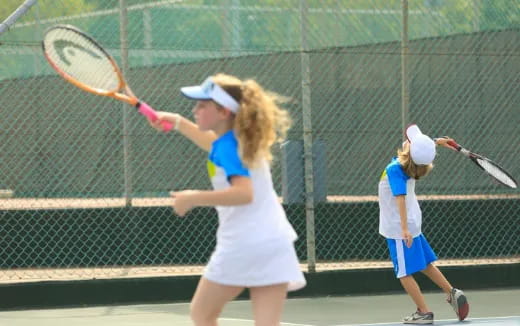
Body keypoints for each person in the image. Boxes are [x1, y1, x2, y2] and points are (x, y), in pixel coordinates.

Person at [149, 74, 306, 326]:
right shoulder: (240, 142)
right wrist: (178, 123)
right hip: (275, 243)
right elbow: (214, 147)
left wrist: (193, 198)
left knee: (202, 314)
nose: (195, 110)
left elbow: (244, 193)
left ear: (223, 112)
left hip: (243, 245)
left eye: (202, 105)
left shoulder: (228, 147)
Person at [378, 124, 469, 324]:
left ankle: (424, 312)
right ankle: (452, 293)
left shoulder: (396, 169)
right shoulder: (412, 165)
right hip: (413, 222)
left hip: (399, 228)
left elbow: (400, 198)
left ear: (408, 150)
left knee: (403, 272)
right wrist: (437, 142)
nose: (407, 142)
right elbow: (419, 150)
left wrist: (403, 230)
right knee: (425, 264)